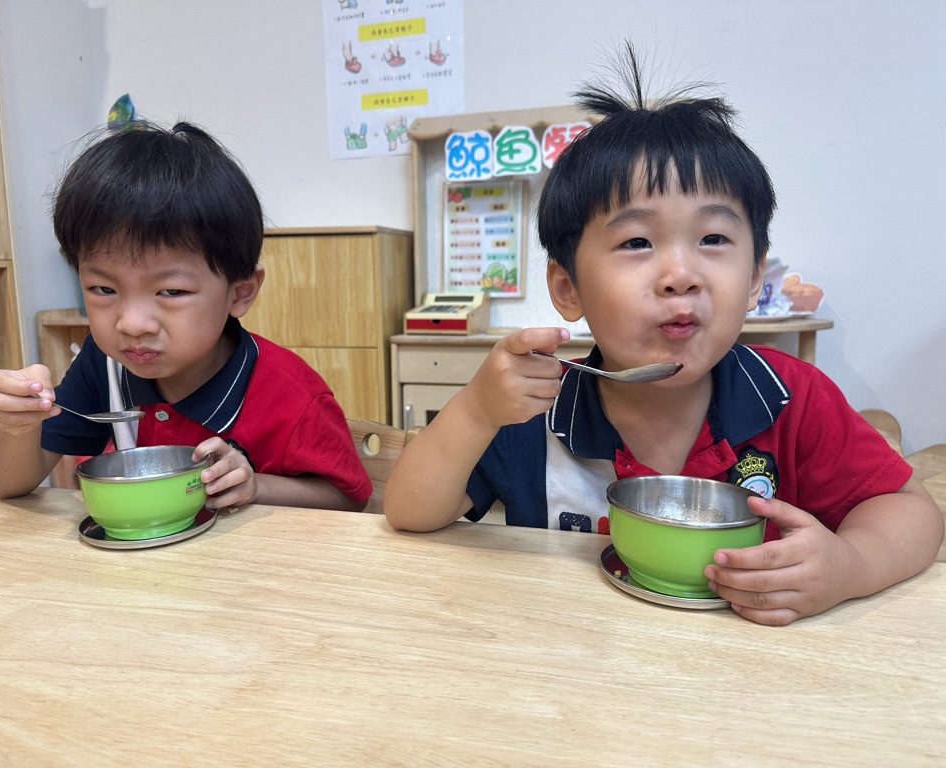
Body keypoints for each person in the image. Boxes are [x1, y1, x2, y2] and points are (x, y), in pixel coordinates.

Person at [383, 49, 943, 625]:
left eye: (714, 239)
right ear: (568, 287)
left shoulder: (790, 397)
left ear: (755, 278)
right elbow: (408, 512)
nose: (681, 274)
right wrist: (476, 410)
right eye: (637, 243)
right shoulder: (531, 410)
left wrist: (851, 565)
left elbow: (912, 511)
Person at [0, 122, 371, 512]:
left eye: (171, 291)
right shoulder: (105, 366)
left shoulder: (292, 394)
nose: (132, 324)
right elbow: (11, 486)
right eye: (103, 289)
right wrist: (16, 426)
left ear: (240, 293)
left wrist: (257, 487)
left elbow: (349, 501)